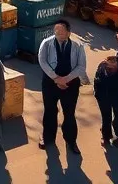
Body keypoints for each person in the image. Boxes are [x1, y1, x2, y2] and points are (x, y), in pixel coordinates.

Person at [37, 18, 88, 155]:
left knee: (69, 113)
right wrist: (55, 78)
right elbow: (42, 61)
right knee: (50, 111)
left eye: (61, 30)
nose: (57, 32)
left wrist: (66, 79)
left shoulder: (77, 46)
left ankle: (71, 141)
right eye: (56, 30)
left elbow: (81, 66)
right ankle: (47, 138)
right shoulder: (47, 43)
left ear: (68, 33)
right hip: (50, 83)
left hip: (70, 84)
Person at [94, 53, 118, 148]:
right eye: (108, 64)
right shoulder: (102, 67)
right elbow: (96, 80)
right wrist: (97, 94)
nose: (110, 67)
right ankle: (106, 136)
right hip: (103, 97)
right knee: (106, 117)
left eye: (113, 64)